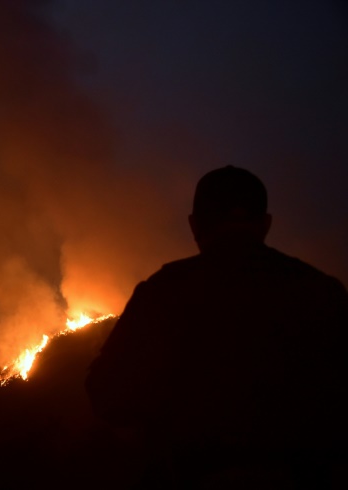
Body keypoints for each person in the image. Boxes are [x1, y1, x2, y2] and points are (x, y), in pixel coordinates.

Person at [85, 166, 348, 487]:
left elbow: (106, 393)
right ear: (266, 223)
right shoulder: (321, 292)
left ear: (194, 225)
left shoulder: (165, 292)